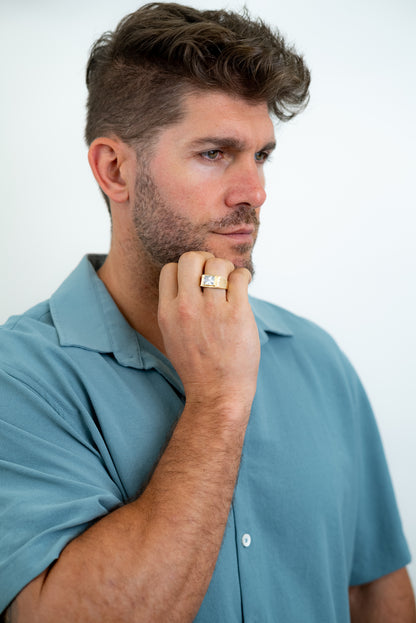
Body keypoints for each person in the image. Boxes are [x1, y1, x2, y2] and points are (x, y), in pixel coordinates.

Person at [0, 3, 414, 621]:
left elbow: (375, 595)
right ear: (115, 169)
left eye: (261, 156)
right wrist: (219, 401)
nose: (255, 192)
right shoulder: (19, 379)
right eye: (216, 153)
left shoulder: (317, 358)